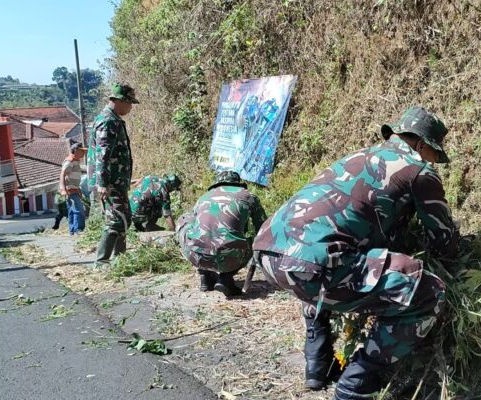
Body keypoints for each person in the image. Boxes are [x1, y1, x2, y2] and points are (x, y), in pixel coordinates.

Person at [253, 106, 460, 399]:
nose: (434, 161)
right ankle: (357, 382)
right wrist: (452, 255)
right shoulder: (419, 172)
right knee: (429, 292)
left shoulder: (357, 157)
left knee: (329, 262)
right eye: (434, 154)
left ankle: (318, 362)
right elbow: (443, 240)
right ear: (422, 144)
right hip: (313, 264)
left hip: (268, 251)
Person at [177, 171, 266, 298]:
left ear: (217, 184)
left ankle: (205, 275)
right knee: (250, 239)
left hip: (197, 255)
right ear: (237, 184)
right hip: (233, 257)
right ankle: (226, 278)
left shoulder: (204, 197)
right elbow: (262, 227)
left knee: (184, 220)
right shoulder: (248, 196)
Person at [93, 83, 137, 266]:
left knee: (124, 218)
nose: (131, 107)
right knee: (116, 220)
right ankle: (102, 262)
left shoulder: (113, 119)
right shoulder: (108, 121)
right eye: (129, 103)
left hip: (117, 181)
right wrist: (103, 183)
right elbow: (102, 155)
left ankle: (121, 260)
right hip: (111, 183)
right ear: (119, 101)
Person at [58, 143, 87, 234]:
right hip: (70, 190)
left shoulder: (76, 161)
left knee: (72, 210)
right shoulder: (69, 161)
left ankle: (73, 231)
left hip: (74, 189)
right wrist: (63, 189)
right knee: (79, 210)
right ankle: (78, 229)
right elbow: (63, 174)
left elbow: (72, 178)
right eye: (81, 151)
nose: (83, 153)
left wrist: (78, 189)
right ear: (76, 151)